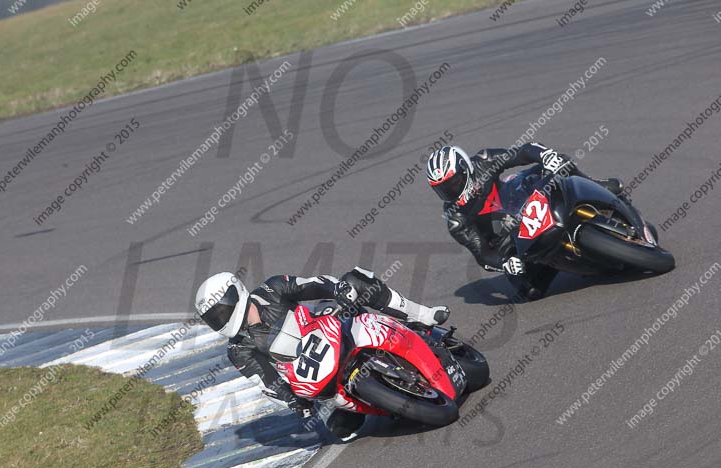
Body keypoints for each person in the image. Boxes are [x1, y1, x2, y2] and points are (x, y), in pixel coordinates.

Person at [194, 267, 450, 441]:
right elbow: (266, 381)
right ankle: (367, 403)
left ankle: (423, 315)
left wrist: (338, 289)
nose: (221, 318)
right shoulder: (238, 350)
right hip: (317, 380)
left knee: (357, 279)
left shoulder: (272, 289)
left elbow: (314, 285)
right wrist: (292, 401)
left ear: (235, 294)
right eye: (213, 317)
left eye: (222, 310)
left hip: (330, 329)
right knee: (340, 430)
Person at [426, 143, 623, 300]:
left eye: (453, 183)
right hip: (506, 240)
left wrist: (545, 156)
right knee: (529, 292)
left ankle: (597, 185)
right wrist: (505, 263)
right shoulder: (455, 219)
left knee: (558, 164)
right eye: (443, 189)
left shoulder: (484, 161)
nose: (451, 192)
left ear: (465, 168)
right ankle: (554, 263)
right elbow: (482, 254)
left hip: (515, 200)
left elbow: (522, 152)